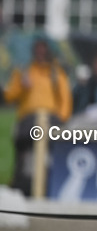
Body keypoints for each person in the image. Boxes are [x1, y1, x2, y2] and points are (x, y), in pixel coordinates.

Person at [3, 37, 72, 195]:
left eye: (43, 49)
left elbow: (65, 100)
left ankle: (49, 184)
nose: (41, 53)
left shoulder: (56, 73)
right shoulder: (24, 71)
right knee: (25, 153)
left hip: (50, 120)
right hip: (28, 119)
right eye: (38, 50)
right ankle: (21, 184)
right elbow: (9, 95)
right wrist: (21, 84)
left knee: (49, 154)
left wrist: (61, 120)